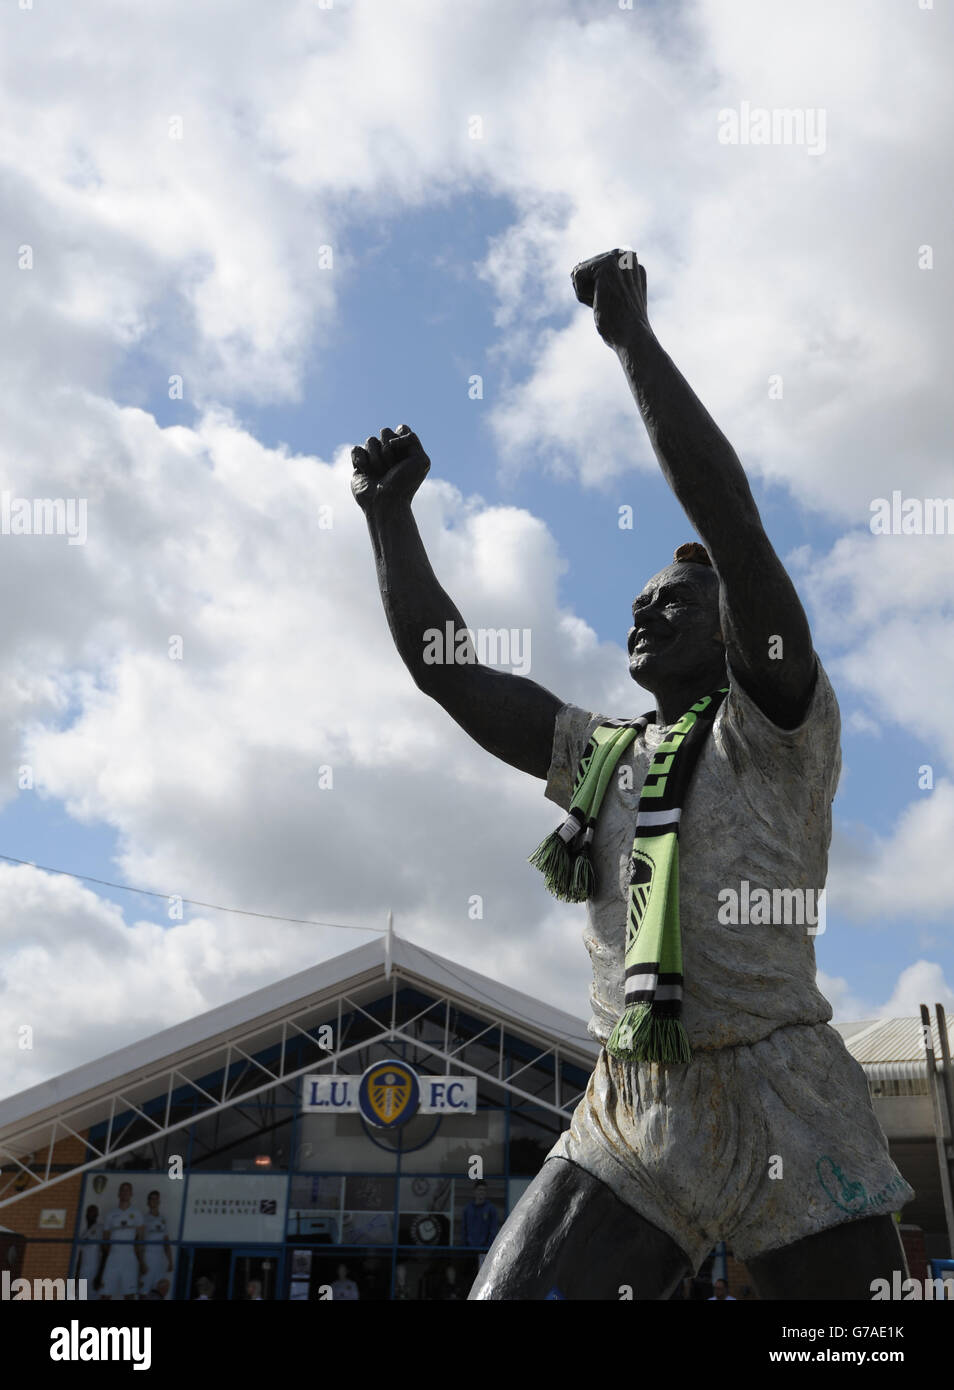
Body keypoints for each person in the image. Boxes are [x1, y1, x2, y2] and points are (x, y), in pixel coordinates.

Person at [351, 247, 914, 1301]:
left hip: (786, 1094)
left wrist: (632, 343)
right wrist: (390, 521)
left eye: (671, 601)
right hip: (638, 1104)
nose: (642, 612)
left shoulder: (777, 722)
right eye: (637, 606)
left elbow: (731, 524)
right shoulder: (602, 758)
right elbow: (453, 677)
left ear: (733, 627)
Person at [96, 1182, 145, 1302]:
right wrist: (111, 1253)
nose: (125, 1192)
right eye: (122, 1190)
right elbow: (105, 1240)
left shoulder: (137, 1213)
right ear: (118, 1193)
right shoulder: (110, 1214)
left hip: (130, 1259)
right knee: (105, 1294)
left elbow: (141, 1240)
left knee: (129, 1295)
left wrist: (141, 1261)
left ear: (131, 1194)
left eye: (127, 1190)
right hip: (113, 1258)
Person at [139, 1189, 173, 1300]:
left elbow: (166, 1242)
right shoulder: (143, 1219)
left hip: (160, 1262)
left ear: (159, 1201)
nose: (154, 1201)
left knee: (159, 1293)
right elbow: (139, 1242)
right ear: (148, 1202)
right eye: (151, 1199)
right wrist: (142, 1263)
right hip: (148, 1260)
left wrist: (170, 1261)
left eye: (156, 1199)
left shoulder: (163, 1219)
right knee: (143, 1293)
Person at [461, 1181, 500, 1254]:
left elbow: (493, 1229)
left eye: (484, 1190)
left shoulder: (491, 1209)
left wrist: (488, 1247)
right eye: (479, 1190)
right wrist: (465, 1245)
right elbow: (464, 1228)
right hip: (469, 1249)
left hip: (485, 1250)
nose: (482, 1192)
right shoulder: (467, 1209)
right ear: (474, 1191)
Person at [74, 1204, 103, 1296]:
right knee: (78, 1296)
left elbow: (105, 1252)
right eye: (90, 1212)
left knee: (92, 1296)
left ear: (97, 1215)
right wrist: (76, 1274)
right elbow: (80, 1256)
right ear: (86, 1214)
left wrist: (100, 1275)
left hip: (94, 1271)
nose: (91, 1215)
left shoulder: (100, 1229)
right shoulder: (83, 1233)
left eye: (94, 1213)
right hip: (82, 1272)